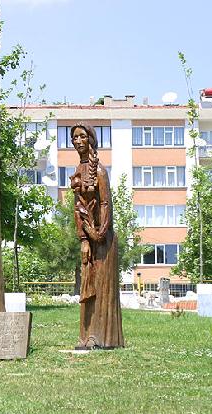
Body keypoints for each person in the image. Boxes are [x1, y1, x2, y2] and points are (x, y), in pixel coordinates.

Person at [69, 124, 124, 349]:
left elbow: (105, 203)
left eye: (82, 136)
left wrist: (99, 233)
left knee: (101, 287)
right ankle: (87, 336)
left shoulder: (99, 171)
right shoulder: (77, 170)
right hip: (89, 237)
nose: (78, 141)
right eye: (74, 137)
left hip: (104, 240)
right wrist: (84, 238)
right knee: (88, 286)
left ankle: (103, 337)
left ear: (91, 139)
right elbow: (78, 207)